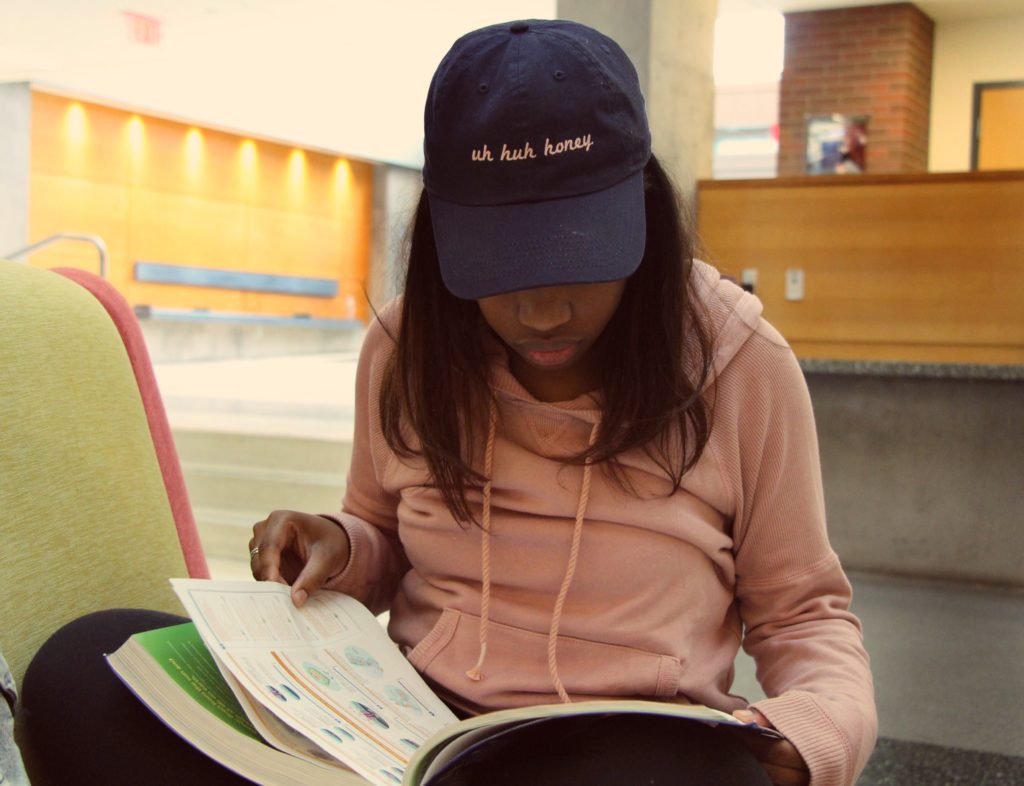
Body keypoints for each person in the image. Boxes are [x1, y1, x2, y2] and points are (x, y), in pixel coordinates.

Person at [21, 19, 876, 786]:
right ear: (441, 235)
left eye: (575, 258)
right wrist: (340, 547)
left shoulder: (738, 364)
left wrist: (812, 733)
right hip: (401, 730)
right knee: (81, 673)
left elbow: (805, 615)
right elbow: (385, 546)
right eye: (500, 269)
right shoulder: (407, 345)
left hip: (615, 749)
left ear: (644, 213)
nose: (540, 313)